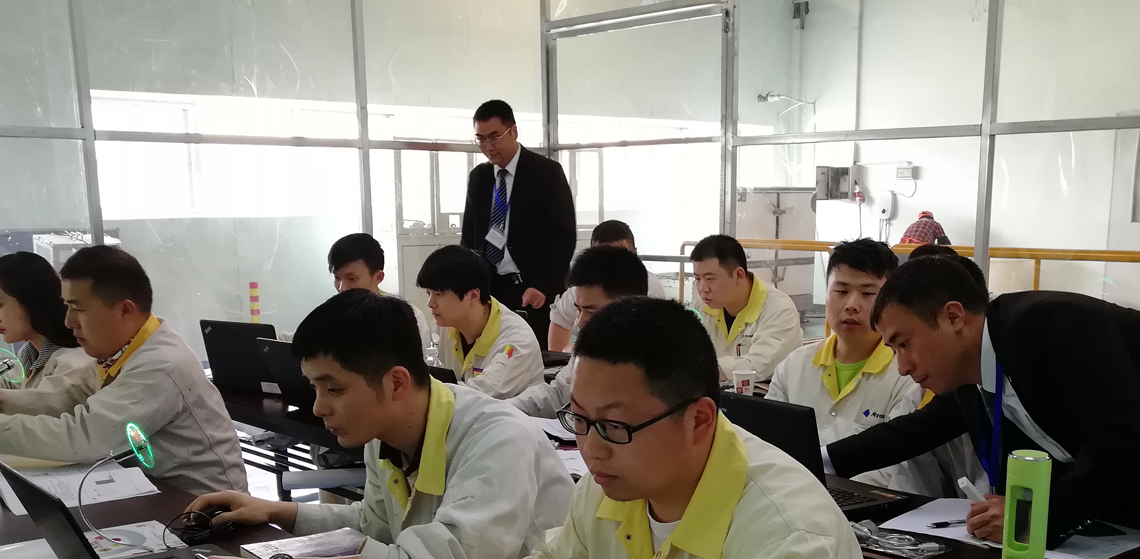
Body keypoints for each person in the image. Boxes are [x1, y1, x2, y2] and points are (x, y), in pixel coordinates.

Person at [188, 290, 574, 559]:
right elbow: (376, 526)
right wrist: (273, 512)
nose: (319, 408)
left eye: (334, 389)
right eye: (314, 388)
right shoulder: (386, 431)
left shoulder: (498, 441)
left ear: (396, 383)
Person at [823, 255, 1140, 547]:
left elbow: (1122, 433)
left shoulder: (1045, 322)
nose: (902, 367)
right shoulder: (976, 369)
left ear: (953, 316)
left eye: (904, 344)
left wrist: (1035, 516)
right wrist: (820, 460)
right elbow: (920, 429)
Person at [526, 298, 860, 559]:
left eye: (614, 425)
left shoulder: (787, 537)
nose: (591, 450)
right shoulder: (603, 488)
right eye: (580, 419)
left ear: (699, 420)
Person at [0, 246, 247, 495]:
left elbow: (87, 437)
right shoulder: (123, 349)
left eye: (78, 309)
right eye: (67, 306)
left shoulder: (160, 365)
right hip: (150, 491)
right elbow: (67, 398)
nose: (69, 321)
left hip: (203, 506)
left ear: (125, 310)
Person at [767, 239, 947, 495]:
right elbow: (767, 442)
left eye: (867, 294)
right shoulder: (794, 365)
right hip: (789, 494)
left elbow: (895, 470)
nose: (851, 305)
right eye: (841, 291)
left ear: (890, 300)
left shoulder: (909, 375)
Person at [461, 99, 576, 350]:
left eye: (494, 137)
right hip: (489, 289)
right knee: (488, 358)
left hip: (531, 290)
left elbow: (563, 235)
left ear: (513, 131)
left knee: (533, 359)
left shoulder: (546, 172)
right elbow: (469, 236)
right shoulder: (480, 177)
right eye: (481, 139)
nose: (488, 146)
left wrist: (544, 285)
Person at [511, 246, 649, 418]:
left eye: (592, 312)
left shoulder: (658, 363)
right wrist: (503, 409)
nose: (580, 322)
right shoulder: (591, 345)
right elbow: (559, 393)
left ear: (630, 307)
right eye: (578, 309)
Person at [416, 245, 542, 398]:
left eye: (438, 294)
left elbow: (480, 397)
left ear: (473, 296)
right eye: (428, 293)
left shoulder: (517, 341)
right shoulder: (441, 328)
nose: (430, 303)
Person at [690, 235, 802, 381]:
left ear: (738, 275)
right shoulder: (701, 306)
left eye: (710, 279)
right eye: (697, 279)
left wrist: (693, 370)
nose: (702, 288)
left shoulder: (779, 309)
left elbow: (757, 365)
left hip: (767, 391)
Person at [0, 252, 97, 416]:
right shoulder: (30, 355)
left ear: (30, 299)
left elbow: (51, 403)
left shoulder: (76, 362)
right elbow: (8, 383)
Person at [547, 220, 666, 352]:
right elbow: (560, 320)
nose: (579, 323)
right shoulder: (580, 288)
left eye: (620, 257)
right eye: (601, 258)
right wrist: (563, 357)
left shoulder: (649, 288)